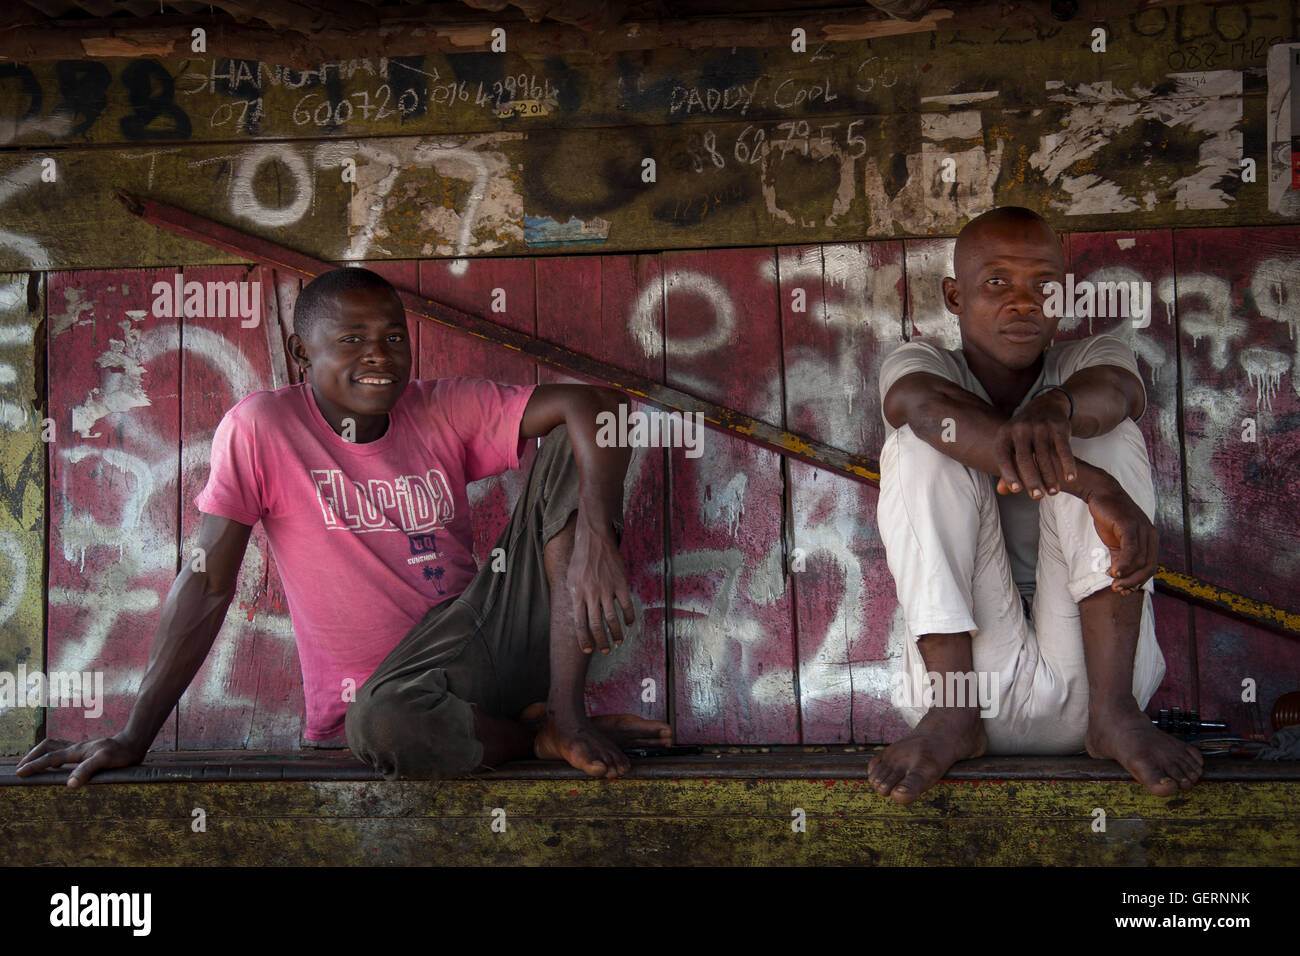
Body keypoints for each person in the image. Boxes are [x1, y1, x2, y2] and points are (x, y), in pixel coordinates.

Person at [17, 267, 670, 785]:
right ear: (302, 352)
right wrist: (135, 735)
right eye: (351, 340)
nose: (378, 355)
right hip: (387, 706)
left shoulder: (438, 406)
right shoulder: (263, 428)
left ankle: (563, 711)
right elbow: (207, 585)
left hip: (486, 639)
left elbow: (599, 404)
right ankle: (536, 736)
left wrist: (593, 540)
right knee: (382, 723)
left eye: (392, 337)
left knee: (572, 438)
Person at [868, 207, 1203, 803]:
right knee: (924, 442)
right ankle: (952, 719)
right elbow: (916, 404)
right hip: (964, 689)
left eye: (1042, 285)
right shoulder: (925, 363)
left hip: (1092, 684)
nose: (1022, 303)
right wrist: (1095, 488)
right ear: (954, 295)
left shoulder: (1088, 358)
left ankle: (1116, 714)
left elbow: (1118, 390)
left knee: (1103, 427)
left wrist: (1057, 408)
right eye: (997, 282)